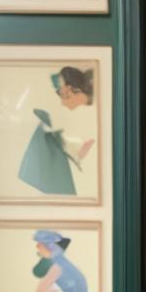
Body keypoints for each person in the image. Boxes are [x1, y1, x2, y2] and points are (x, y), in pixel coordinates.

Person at [17, 66, 96, 196]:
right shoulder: (71, 110)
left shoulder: (86, 111)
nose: (59, 92)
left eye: (60, 88)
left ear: (70, 89)